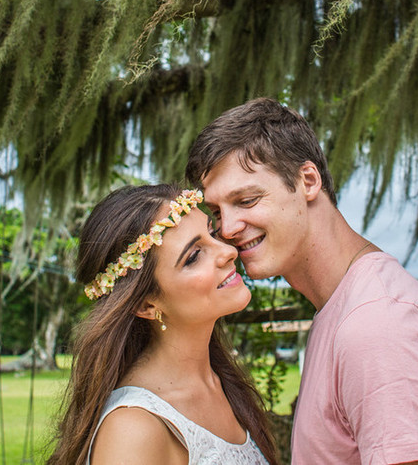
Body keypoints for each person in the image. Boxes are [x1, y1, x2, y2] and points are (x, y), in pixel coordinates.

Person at [186, 99, 418, 465]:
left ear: (308, 181)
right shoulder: (345, 307)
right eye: (217, 212)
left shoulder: (378, 327)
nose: (227, 228)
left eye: (246, 200)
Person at [48, 183, 279, 465]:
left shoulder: (222, 382)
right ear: (146, 305)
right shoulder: (134, 430)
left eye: (212, 232)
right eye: (193, 257)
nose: (226, 251)